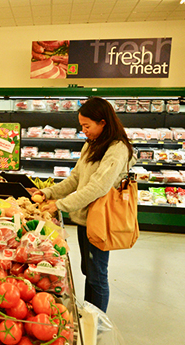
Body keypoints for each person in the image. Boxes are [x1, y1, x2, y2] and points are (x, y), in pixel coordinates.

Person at [29, 97, 136, 312]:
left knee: (97, 274)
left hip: (101, 220)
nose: (83, 130)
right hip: (85, 217)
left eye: (87, 126)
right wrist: (48, 192)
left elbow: (98, 187)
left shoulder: (117, 149)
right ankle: (88, 312)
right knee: (88, 269)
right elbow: (74, 179)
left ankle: (96, 321)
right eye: (81, 126)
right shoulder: (91, 144)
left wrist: (59, 205)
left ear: (103, 122)